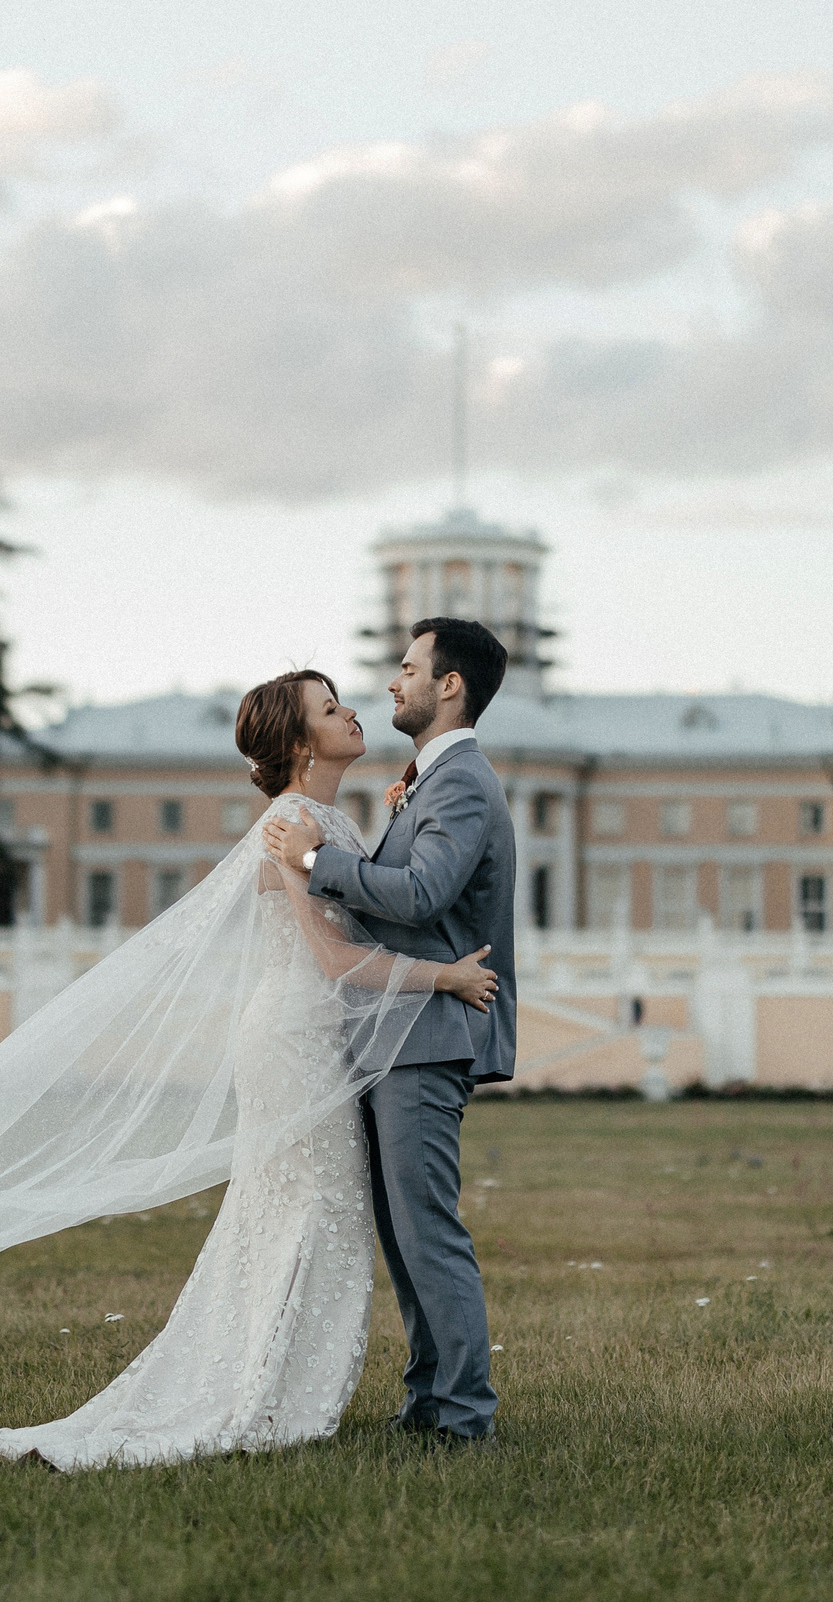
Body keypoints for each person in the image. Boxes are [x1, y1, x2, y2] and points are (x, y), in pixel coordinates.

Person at [0, 669, 498, 1469]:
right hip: (295, 1039)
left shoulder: (324, 820)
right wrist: (443, 976)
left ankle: (274, 1384)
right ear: (300, 741)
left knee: (303, 1211)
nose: (351, 710)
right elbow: (333, 954)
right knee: (310, 1209)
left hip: (310, 1036)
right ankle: (260, 1393)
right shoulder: (290, 823)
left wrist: (393, 819)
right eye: (329, 706)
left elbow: (366, 898)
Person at [260, 615, 518, 1444]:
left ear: (450, 685)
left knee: (427, 1230)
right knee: (405, 1238)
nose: (392, 682)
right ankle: (428, 1399)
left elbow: (418, 897)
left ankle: (464, 1413)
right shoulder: (427, 782)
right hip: (396, 1032)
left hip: (427, 1033)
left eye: (408, 668)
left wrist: (315, 860)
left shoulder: (462, 781)